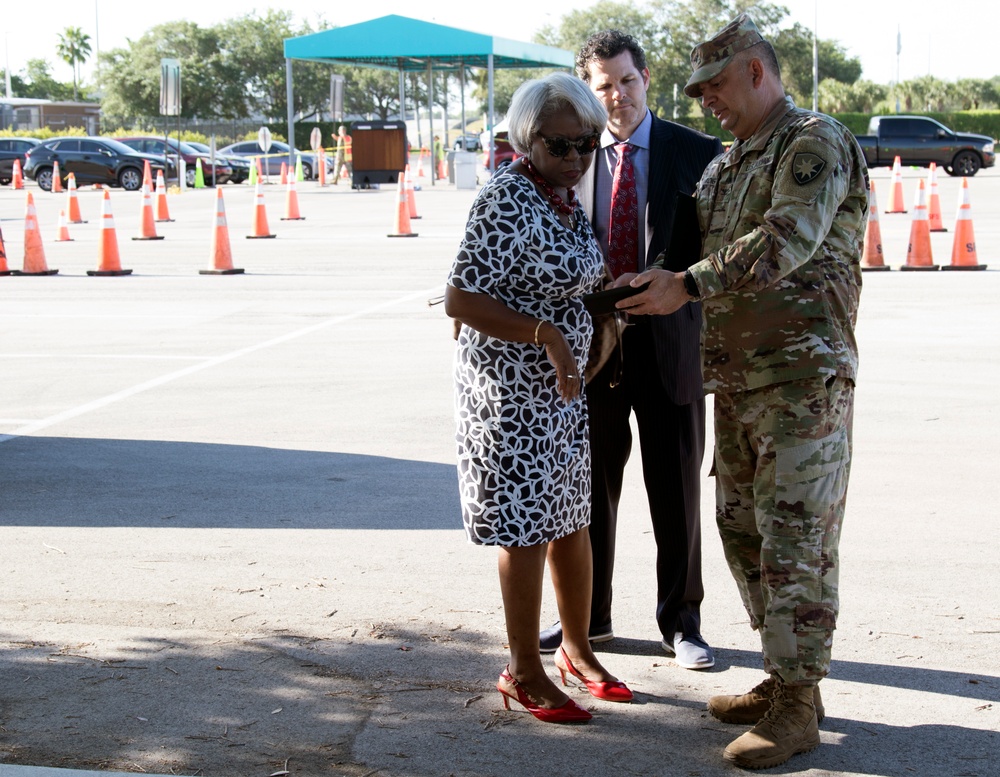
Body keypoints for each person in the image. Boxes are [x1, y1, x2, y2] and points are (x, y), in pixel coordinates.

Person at [618, 14, 867, 769]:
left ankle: (798, 704)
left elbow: (785, 240)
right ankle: (783, 675)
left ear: (757, 71)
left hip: (802, 381)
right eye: (696, 91)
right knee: (743, 531)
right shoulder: (729, 164)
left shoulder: (811, 143)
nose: (706, 103)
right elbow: (689, 244)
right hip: (739, 383)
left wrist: (684, 285)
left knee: (797, 543)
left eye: (716, 86)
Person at [444, 71, 633, 724]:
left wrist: (608, 302)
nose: (578, 158)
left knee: (572, 521)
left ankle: (576, 651)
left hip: (561, 395)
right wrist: (547, 334)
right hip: (512, 398)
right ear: (529, 141)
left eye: (588, 144)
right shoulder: (506, 197)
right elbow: (460, 299)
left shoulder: (561, 197)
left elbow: (571, 278)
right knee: (526, 530)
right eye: (562, 146)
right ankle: (523, 668)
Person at [538, 29, 723, 671]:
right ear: (587, 91)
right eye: (603, 85)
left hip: (672, 345)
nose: (617, 96)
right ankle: (588, 618)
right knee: (588, 489)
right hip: (592, 350)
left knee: (675, 489)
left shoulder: (698, 153)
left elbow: (717, 249)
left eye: (627, 81)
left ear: (646, 78)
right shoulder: (570, 157)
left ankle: (683, 623)